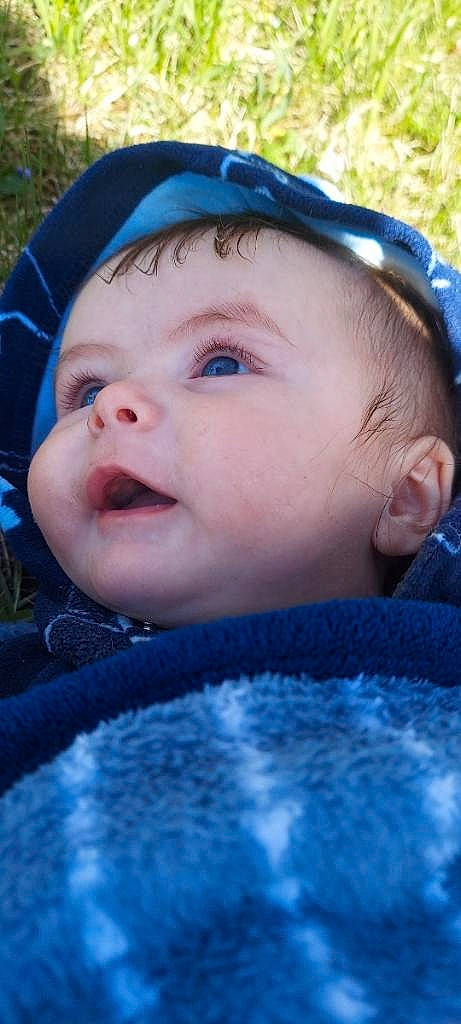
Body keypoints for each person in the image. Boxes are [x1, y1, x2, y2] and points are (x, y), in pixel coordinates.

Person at [1, 143, 461, 1020]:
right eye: (84, 385)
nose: (113, 404)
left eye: (220, 364)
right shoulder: (32, 675)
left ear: (407, 497)